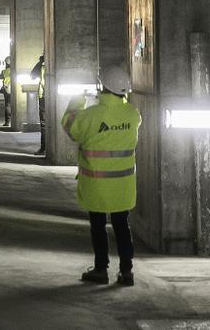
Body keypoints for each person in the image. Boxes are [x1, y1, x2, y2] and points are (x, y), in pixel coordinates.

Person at [62, 65, 141, 287]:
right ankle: (126, 272)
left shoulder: (92, 115)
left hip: (96, 182)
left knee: (97, 226)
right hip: (123, 183)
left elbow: (69, 126)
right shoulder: (133, 114)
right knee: (122, 226)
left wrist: (78, 100)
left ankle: (101, 269)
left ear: (102, 87)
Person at [31, 55, 46, 155]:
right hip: (57, 98)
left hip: (44, 97)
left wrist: (40, 62)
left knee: (44, 124)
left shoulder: (41, 64)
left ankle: (44, 148)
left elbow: (32, 75)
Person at [0, 56, 17, 128]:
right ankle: (14, 120)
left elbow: (0, 77)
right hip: (15, 90)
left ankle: (7, 122)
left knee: (7, 105)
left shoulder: (5, 71)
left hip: (7, 90)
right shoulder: (15, 70)